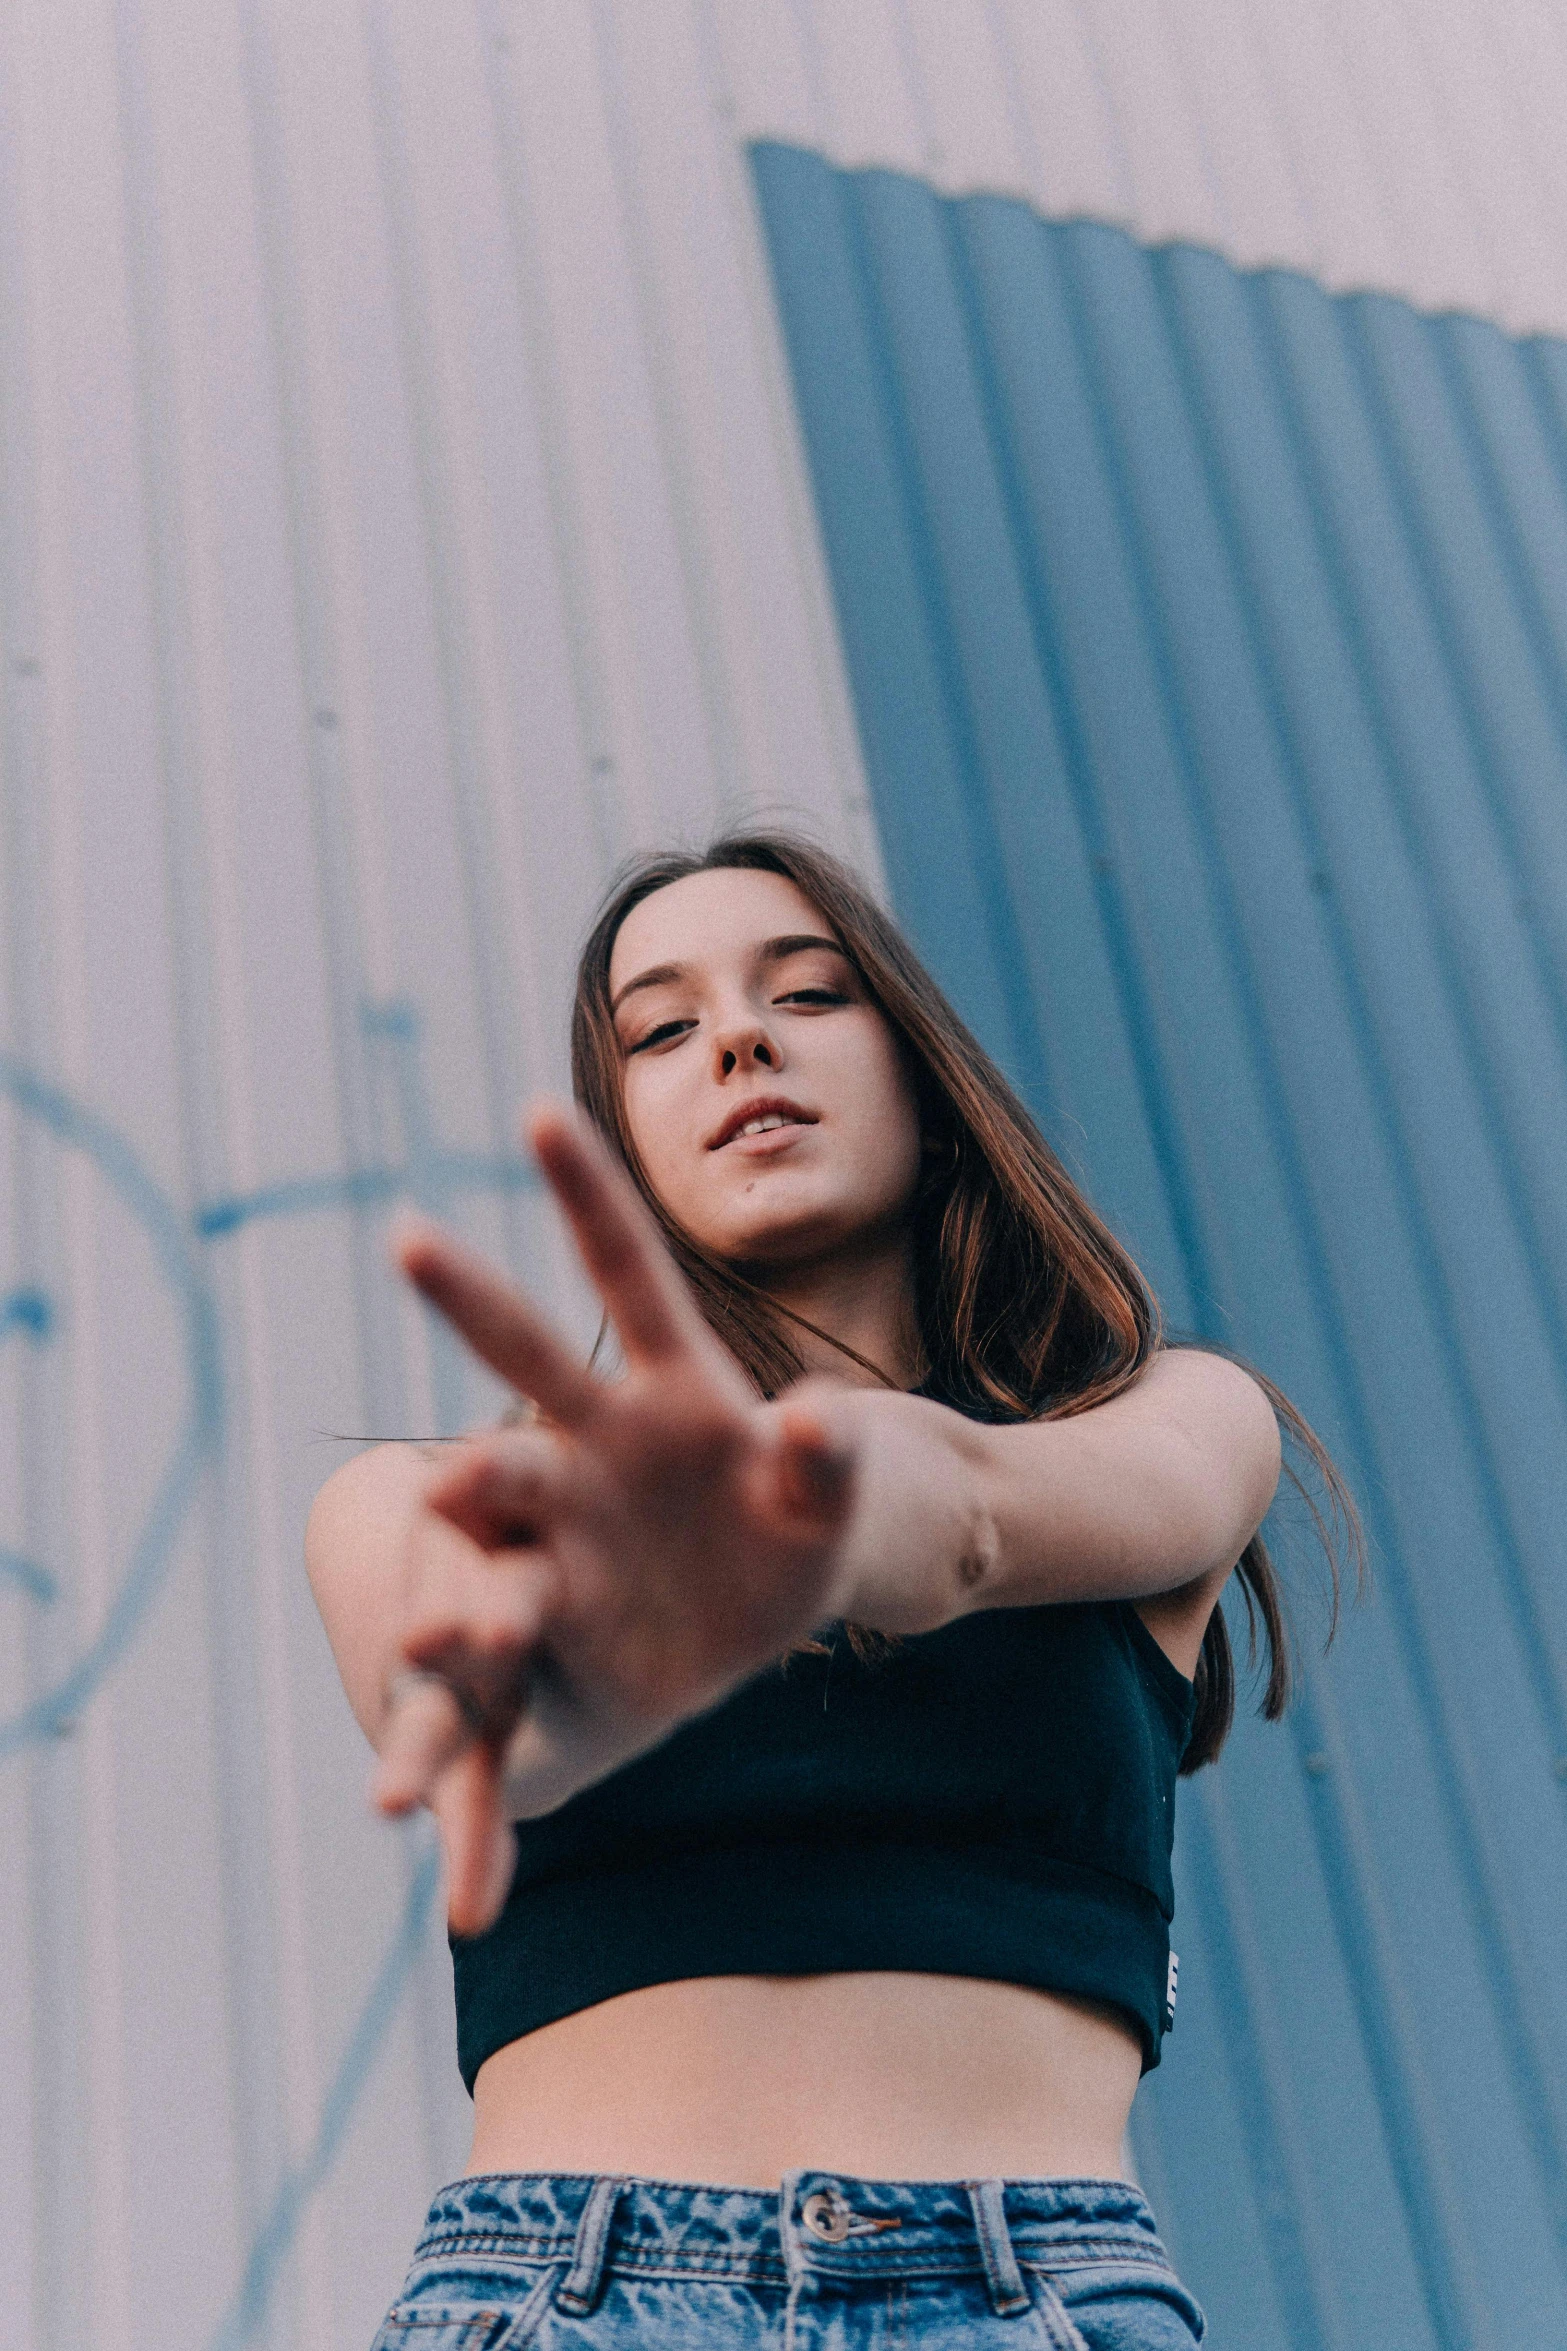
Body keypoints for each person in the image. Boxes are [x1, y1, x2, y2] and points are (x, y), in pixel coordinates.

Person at [307, 831, 1356, 2348]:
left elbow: (973, 1517)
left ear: (927, 1084)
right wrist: (594, 1651)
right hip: (558, 2292)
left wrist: (807, 1508)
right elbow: (491, 1723)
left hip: (1033, 2294)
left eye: (806, 992)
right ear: (626, 1156)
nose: (738, 1036)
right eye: (661, 1030)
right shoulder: (411, 1499)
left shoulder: (1179, 1421)